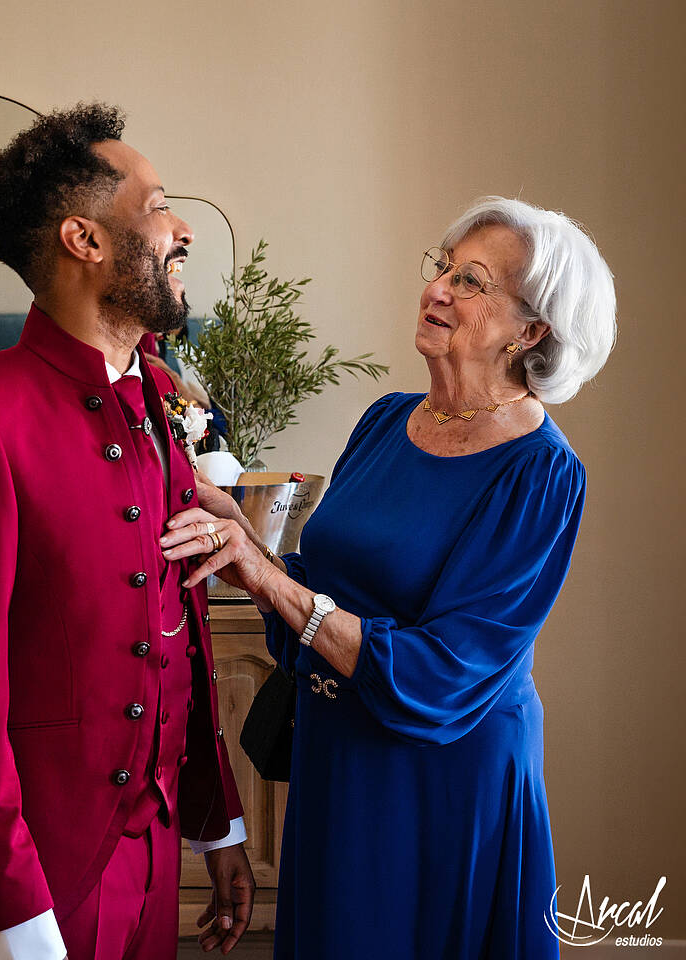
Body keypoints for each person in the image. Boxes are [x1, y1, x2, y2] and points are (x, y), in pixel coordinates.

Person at [179, 197, 616, 958]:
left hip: (442, 781)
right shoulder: (386, 419)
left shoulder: (542, 473)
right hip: (336, 754)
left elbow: (445, 674)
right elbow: (320, 589)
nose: (437, 288)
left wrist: (269, 578)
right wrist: (246, 547)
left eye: (471, 281)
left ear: (532, 330)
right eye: (442, 267)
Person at [0, 103, 255, 960]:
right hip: (44, 878)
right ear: (85, 240)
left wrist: (216, 825)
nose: (183, 232)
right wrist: (16, 915)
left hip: (158, 847)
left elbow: (179, 628)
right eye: (159, 205)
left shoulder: (154, 404)